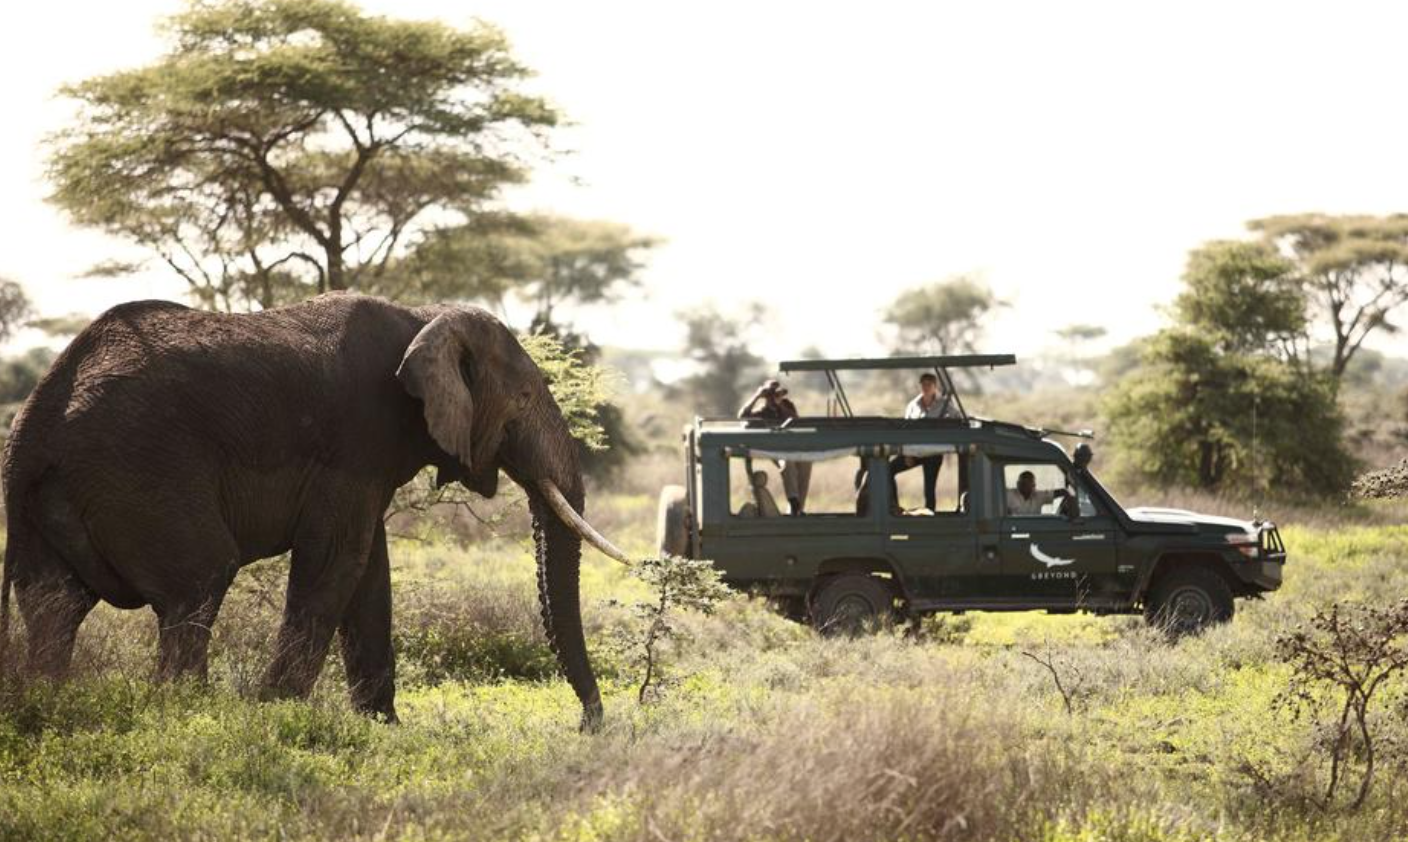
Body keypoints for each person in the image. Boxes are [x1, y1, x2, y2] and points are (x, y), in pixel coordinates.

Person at [889, 373, 959, 512]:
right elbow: (906, 431)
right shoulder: (913, 405)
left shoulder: (945, 404)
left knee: (929, 488)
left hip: (934, 452)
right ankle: (893, 507)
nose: (926, 387)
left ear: (935, 386)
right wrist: (907, 453)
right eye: (923, 384)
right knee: (888, 470)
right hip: (915, 451)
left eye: (929, 384)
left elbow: (959, 419)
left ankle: (929, 516)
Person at [738, 379, 810, 514]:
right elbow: (742, 416)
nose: (774, 398)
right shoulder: (761, 412)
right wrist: (757, 396)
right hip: (775, 448)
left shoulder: (787, 406)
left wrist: (780, 405)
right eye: (771, 395)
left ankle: (798, 509)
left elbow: (795, 419)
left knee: (806, 462)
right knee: (787, 462)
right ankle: (793, 500)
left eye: (777, 394)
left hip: (791, 446)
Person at [1006, 470, 1070, 515]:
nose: (1025, 487)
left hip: (1034, 529)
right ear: (1017, 484)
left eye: (1028, 484)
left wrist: (1070, 499)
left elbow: (1061, 492)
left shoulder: (1038, 496)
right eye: (1023, 483)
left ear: (1033, 486)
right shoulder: (1009, 495)